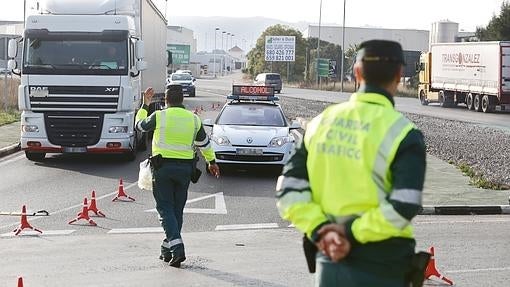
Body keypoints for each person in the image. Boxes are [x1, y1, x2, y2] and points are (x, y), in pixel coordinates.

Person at [275, 40, 426, 286]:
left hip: (330, 263)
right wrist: (351, 233)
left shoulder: (319, 124)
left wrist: (321, 230)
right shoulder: (404, 134)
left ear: (357, 73)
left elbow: (289, 191)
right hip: (384, 266)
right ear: (399, 75)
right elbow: (404, 205)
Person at [135, 85, 220, 267]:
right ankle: (167, 250)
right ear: (182, 100)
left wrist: (145, 105)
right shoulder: (194, 119)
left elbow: (140, 126)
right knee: (176, 210)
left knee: (165, 209)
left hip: (163, 170)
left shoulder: (160, 116)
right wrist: (211, 162)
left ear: (166, 100)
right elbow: (204, 144)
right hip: (185, 171)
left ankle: (177, 249)